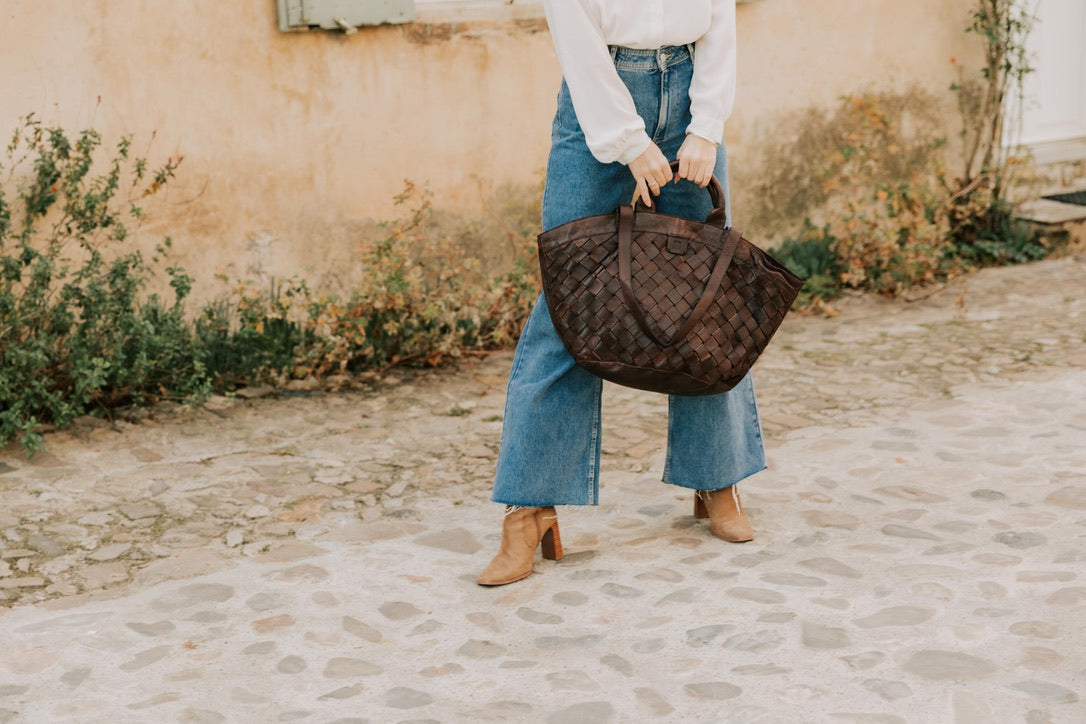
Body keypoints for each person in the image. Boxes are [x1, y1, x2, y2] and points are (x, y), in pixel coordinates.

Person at [477, 0, 765, 587]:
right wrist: (629, 142)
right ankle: (528, 510)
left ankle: (716, 478)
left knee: (706, 301)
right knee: (566, 303)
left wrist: (706, 126)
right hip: (599, 99)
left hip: (690, 95)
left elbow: (721, 22)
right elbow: (576, 37)